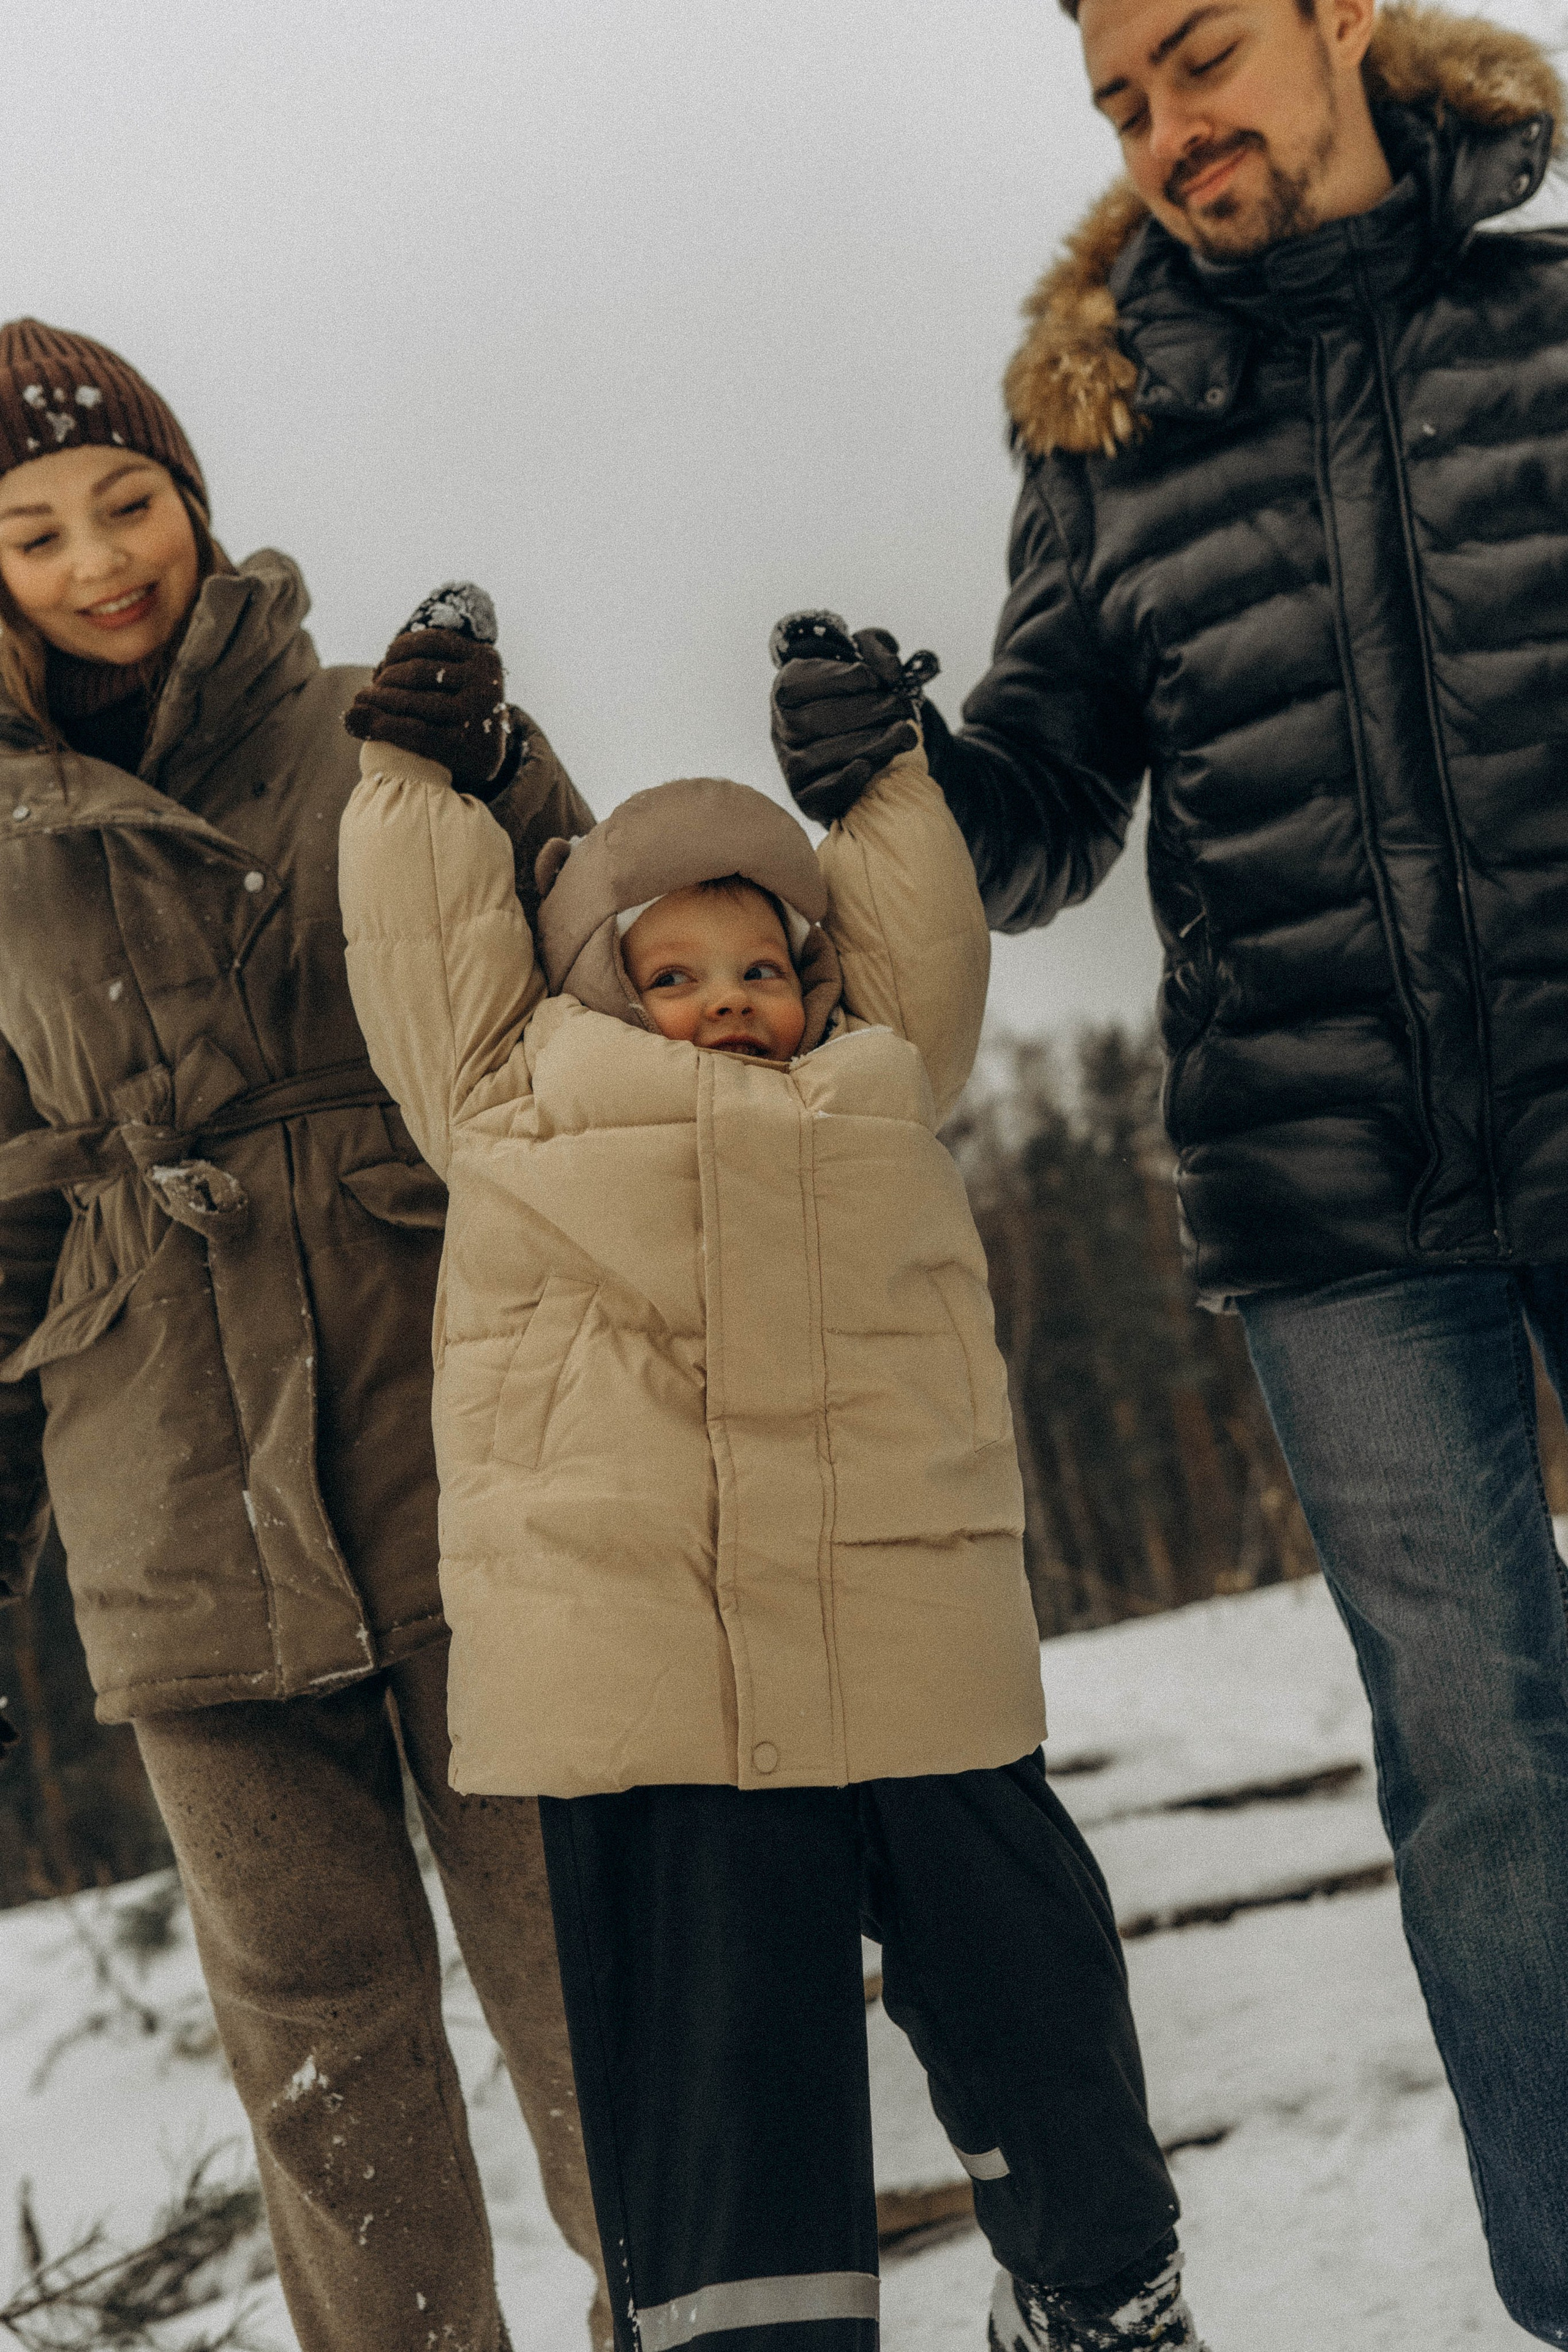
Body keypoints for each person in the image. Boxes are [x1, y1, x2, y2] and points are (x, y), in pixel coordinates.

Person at [767, 1, 1568, 2343]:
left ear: (1339, 25)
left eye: (1203, 56)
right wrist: (904, 767)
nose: (1167, 127)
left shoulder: (1543, 329)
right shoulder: (1101, 430)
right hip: (1331, 1195)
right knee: (1482, 1766)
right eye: (1121, 101)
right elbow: (1049, 806)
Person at [336, 630, 1211, 2352]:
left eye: (763, 961)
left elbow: (925, 943)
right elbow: (429, 956)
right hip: (653, 1683)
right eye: (670, 974)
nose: (727, 997)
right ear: (590, 987)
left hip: (907, 1648)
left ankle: (1101, 2293)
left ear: (824, 977)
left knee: (1039, 2010)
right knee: (729, 2116)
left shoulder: (881, 1093)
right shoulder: (514, 1113)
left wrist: (884, 781)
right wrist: (412, 779)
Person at [0, 319, 611, 2352]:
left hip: (465, 1439)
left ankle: (704, 2312)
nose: (100, 560)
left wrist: (508, 768)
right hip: (171, 1497)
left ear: (193, 500)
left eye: (130, 503)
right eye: (36, 530)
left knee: (590, 1969)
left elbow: (591, 970)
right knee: (323, 2058)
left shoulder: (369, 728)